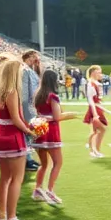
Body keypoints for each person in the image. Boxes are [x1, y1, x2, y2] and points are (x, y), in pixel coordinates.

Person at [0, 57, 31, 220]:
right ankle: (11, 218)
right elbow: (16, 118)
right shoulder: (12, 91)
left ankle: (2, 214)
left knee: (5, 177)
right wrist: (30, 131)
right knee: (16, 179)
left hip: (0, 135)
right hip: (12, 136)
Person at [31, 68, 80, 205]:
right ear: (53, 81)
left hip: (39, 131)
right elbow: (57, 116)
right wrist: (71, 115)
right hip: (51, 132)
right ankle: (50, 191)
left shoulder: (38, 94)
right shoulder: (52, 96)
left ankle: (38, 189)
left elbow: (41, 113)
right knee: (58, 162)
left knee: (44, 164)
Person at [82, 64, 108, 158]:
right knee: (99, 130)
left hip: (98, 108)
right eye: (99, 72)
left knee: (96, 131)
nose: (101, 74)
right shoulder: (91, 83)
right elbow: (90, 99)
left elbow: (98, 98)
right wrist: (95, 114)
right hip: (95, 109)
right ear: (93, 72)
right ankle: (94, 150)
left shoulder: (96, 83)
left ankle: (94, 150)